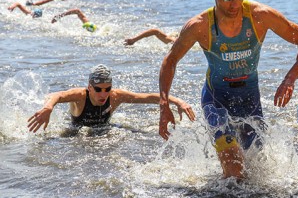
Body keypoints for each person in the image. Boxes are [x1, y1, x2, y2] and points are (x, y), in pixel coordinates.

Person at [159, 0, 298, 179]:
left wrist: (289, 79)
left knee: (256, 171)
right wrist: (164, 103)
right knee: (235, 172)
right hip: (216, 99)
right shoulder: (199, 25)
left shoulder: (260, 16)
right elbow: (170, 60)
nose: (235, 4)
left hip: (250, 99)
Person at [28, 64, 195, 133]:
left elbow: (148, 97)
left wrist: (178, 101)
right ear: (90, 87)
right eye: (98, 90)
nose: (103, 94)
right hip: (76, 130)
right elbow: (57, 95)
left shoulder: (115, 96)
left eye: (107, 89)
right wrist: (48, 108)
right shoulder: (80, 96)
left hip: (103, 128)